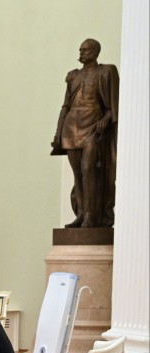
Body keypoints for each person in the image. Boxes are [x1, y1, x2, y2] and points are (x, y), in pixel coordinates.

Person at [51, 38, 119, 228]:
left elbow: (113, 106)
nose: (81, 53)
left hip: (92, 126)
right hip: (71, 127)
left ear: (95, 53)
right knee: (77, 174)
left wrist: (107, 118)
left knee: (88, 169)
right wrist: (58, 132)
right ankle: (81, 214)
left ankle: (92, 215)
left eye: (85, 50)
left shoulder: (106, 72)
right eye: (80, 50)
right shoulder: (73, 76)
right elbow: (66, 105)